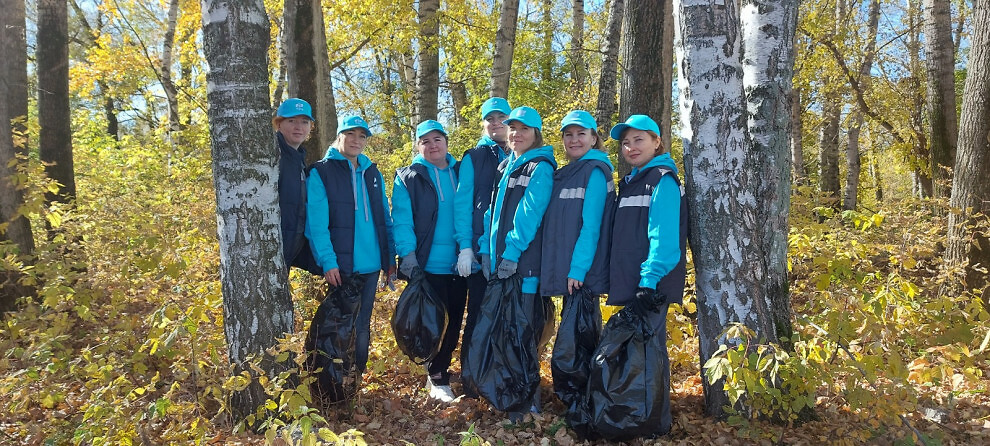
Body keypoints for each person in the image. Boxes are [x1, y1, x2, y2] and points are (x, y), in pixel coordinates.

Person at [607, 114, 688, 438]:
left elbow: (665, 239)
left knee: (649, 352)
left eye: (638, 139)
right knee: (639, 352)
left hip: (649, 285)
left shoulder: (662, 180)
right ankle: (637, 416)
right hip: (634, 281)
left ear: (657, 141)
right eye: (626, 142)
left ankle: (653, 422)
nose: (631, 146)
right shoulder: (633, 181)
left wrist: (648, 282)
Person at [477, 105, 557, 416]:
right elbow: (492, 214)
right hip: (501, 266)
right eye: (513, 128)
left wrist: (510, 255)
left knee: (523, 336)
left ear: (535, 134)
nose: (516, 133)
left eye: (523, 129)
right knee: (507, 333)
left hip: (524, 270)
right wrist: (486, 249)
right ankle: (512, 396)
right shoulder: (508, 166)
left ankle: (529, 403)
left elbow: (528, 216)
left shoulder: (540, 167)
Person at [306, 115, 396, 382]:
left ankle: (355, 379)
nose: (357, 141)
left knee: (362, 326)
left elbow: (384, 219)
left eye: (362, 136)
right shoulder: (321, 172)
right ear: (339, 136)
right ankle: (332, 382)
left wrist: (388, 258)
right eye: (351, 134)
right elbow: (317, 224)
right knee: (336, 327)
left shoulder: (372, 173)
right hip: (340, 266)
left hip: (370, 266)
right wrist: (328, 260)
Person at [539, 110, 616, 406]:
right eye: (568, 135)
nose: (574, 140)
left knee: (578, 341)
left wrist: (578, 269)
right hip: (567, 270)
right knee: (574, 337)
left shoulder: (595, 171)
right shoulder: (564, 172)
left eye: (581, 134)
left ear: (593, 138)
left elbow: (592, 225)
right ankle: (578, 398)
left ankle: (583, 401)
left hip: (581, 273)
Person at [391, 120, 466, 403]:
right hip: (427, 263)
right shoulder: (409, 177)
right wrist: (407, 255)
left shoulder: (461, 171)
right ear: (417, 146)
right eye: (425, 141)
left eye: (437, 139)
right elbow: (401, 219)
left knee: (455, 320)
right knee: (433, 322)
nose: (432, 145)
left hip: (461, 262)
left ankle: (441, 368)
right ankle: (435, 377)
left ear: (446, 142)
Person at [452, 97, 512, 394]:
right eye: (490, 118)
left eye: (502, 117)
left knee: (505, 316)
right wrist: (465, 247)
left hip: (512, 252)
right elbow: (462, 205)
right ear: (484, 124)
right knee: (477, 314)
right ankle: (471, 377)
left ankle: (498, 374)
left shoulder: (522, 153)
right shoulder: (473, 156)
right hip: (478, 251)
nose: (496, 123)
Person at [274, 98, 321, 276]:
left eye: (304, 122)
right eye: (291, 121)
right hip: (273, 252)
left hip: (288, 253)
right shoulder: (274, 156)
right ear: (279, 124)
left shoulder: (298, 159)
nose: (298, 127)